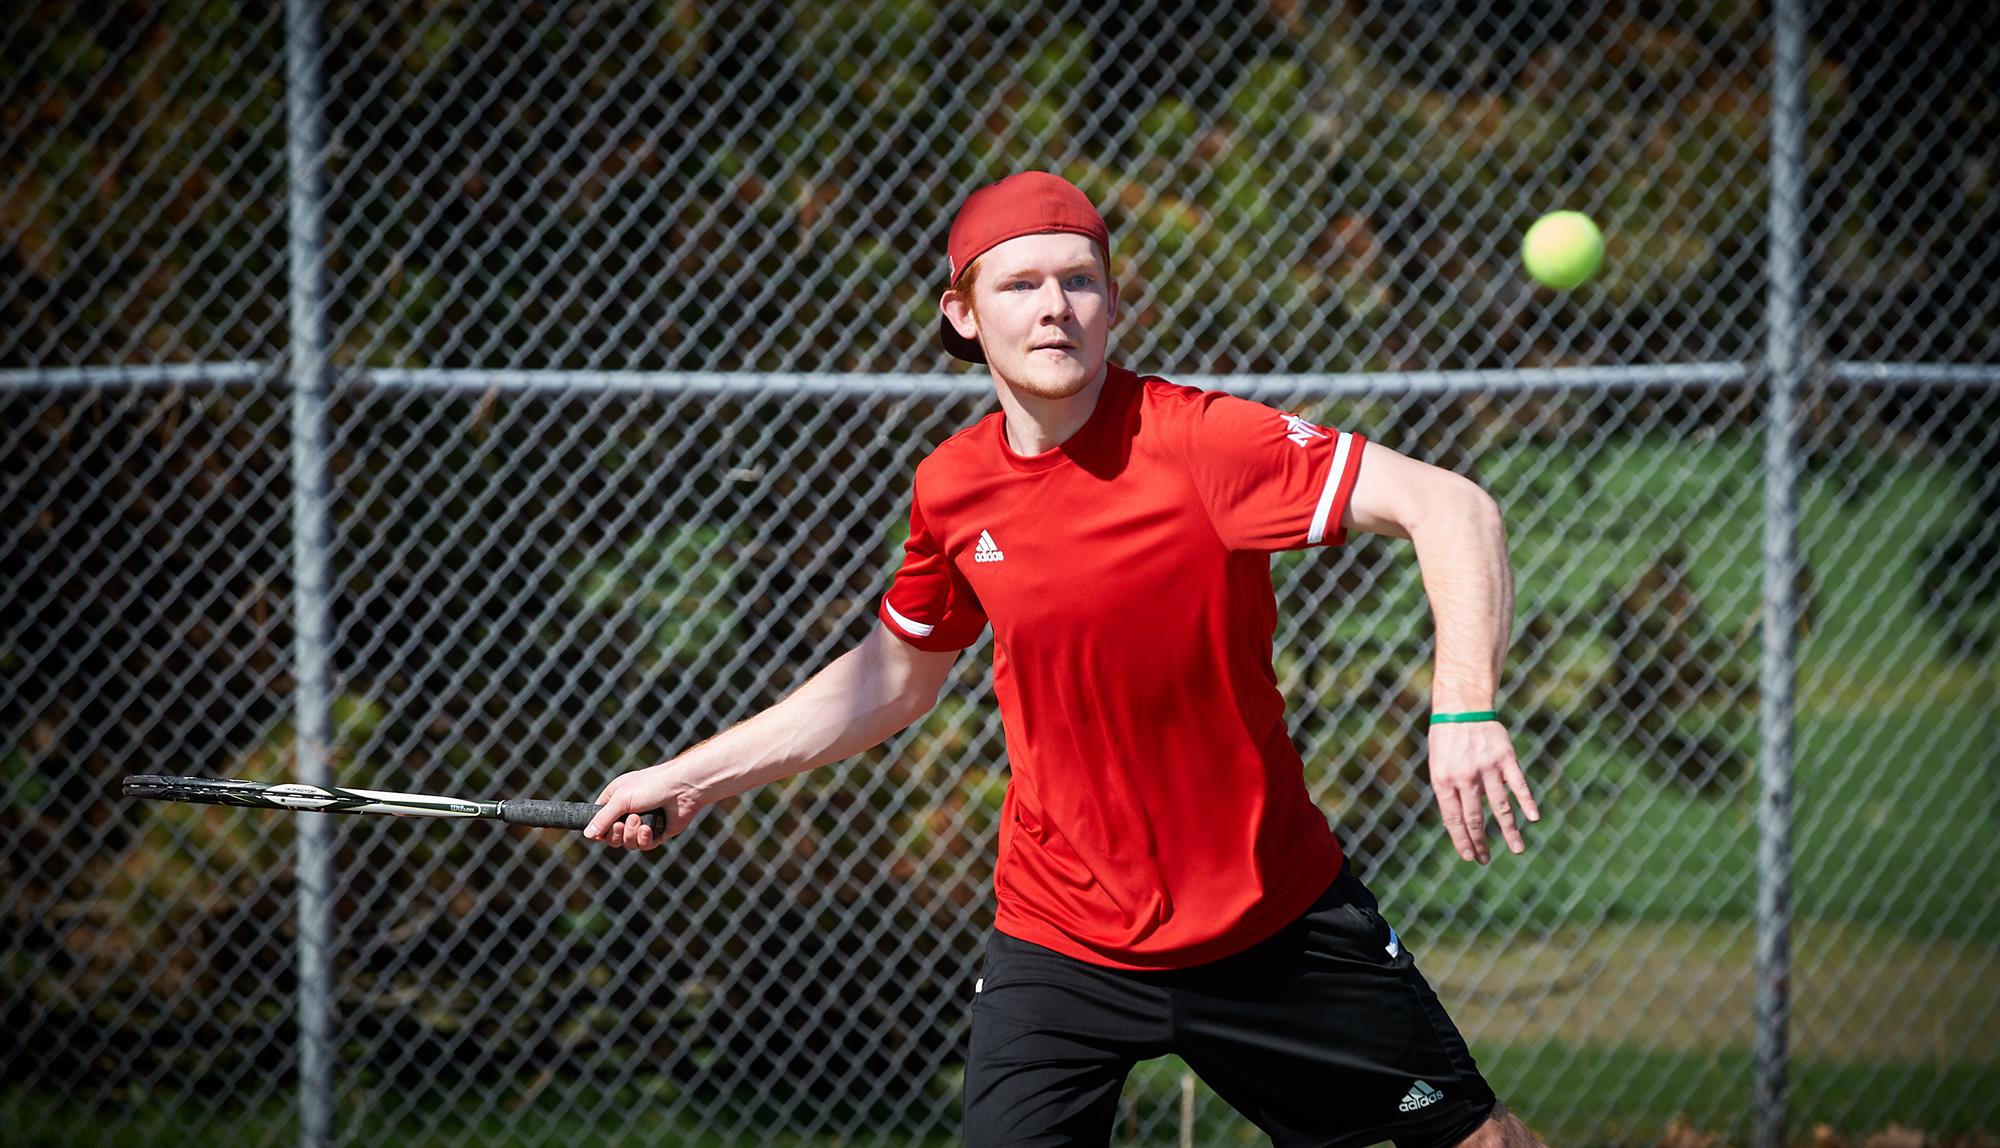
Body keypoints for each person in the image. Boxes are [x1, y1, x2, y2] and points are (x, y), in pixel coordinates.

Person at [586, 171, 1546, 1148]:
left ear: (1112, 304)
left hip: (1270, 920)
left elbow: (1451, 505)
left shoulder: (1203, 442)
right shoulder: (952, 486)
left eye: (1078, 281)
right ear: (960, 314)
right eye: (1019, 285)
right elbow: (892, 678)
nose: (1053, 307)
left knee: (1474, 1140)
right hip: (1061, 937)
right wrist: (690, 774)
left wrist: (1463, 709)